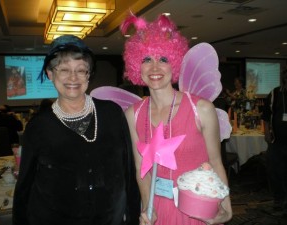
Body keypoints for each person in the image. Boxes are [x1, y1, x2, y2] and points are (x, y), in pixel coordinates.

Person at [12, 35, 140, 225]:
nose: (73, 78)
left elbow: (128, 171)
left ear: (89, 75)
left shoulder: (112, 113)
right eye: (64, 70)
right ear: (50, 73)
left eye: (81, 70)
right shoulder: (38, 126)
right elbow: (25, 188)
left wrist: (133, 216)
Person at [121, 15, 232, 225]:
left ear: (175, 63)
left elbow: (216, 162)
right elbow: (140, 169)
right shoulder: (132, 114)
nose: (155, 68)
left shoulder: (201, 108)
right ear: (137, 66)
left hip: (196, 207)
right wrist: (148, 207)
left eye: (163, 59)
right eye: (146, 59)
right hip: (158, 209)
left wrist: (226, 208)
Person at [262, 64, 287, 219]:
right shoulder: (274, 94)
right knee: (275, 171)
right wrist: (266, 132)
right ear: (286, 77)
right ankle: (278, 199)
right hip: (276, 141)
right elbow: (266, 116)